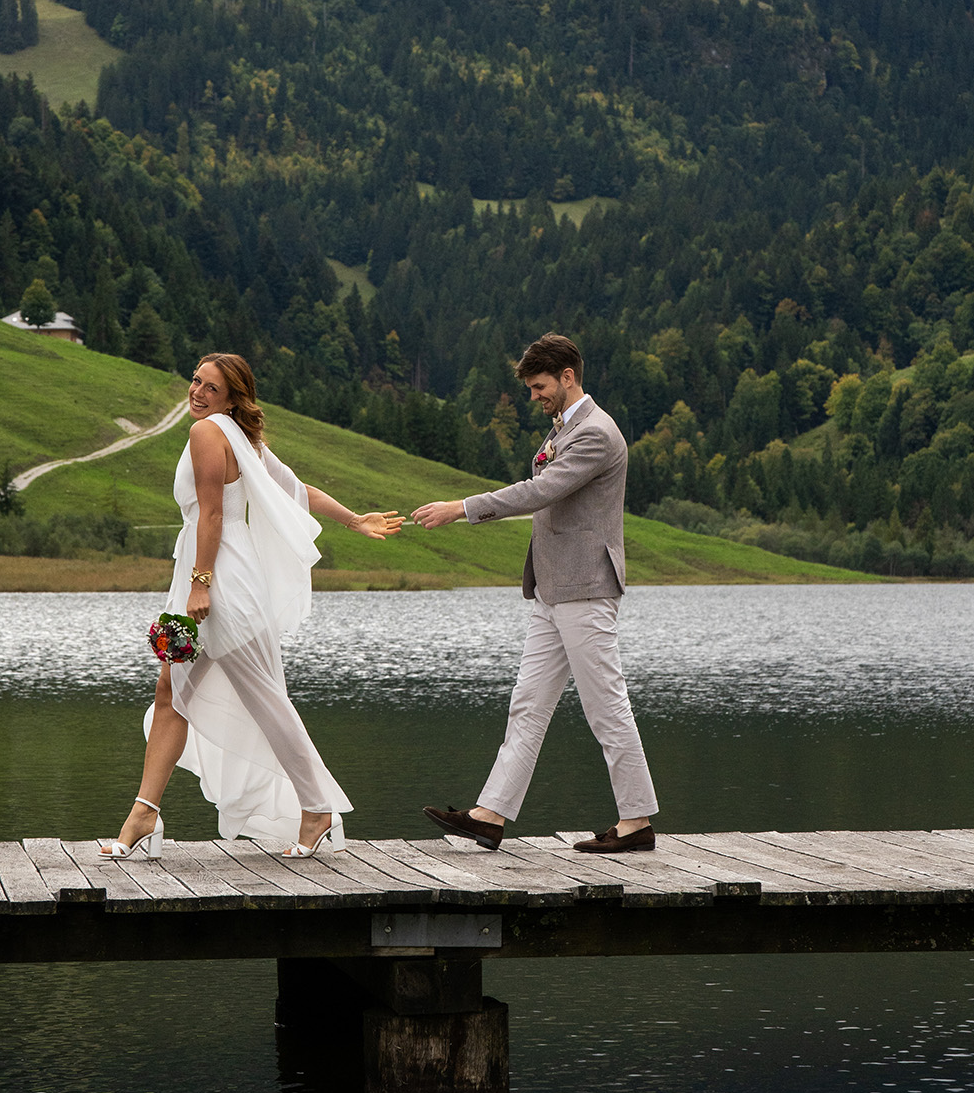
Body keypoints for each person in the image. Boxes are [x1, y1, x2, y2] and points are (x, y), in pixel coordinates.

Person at [102, 353, 401, 860]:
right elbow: (298, 490)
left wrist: (201, 585)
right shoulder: (241, 438)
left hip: (220, 582)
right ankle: (144, 813)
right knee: (171, 692)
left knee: (264, 698)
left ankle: (317, 808)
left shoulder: (208, 433)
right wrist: (353, 519)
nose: (197, 392)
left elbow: (213, 514)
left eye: (211, 388)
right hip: (211, 573)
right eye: (196, 380)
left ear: (231, 399)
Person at [412, 332, 658, 854]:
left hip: (585, 588)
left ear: (568, 377)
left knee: (606, 708)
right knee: (527, 705)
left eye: (540, 386)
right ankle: (490, 815)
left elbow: (542, 491)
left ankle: (636, 823)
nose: (534, 396)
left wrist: (461, 508)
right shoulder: (564, 428)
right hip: (552, 590)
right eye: (530, 388)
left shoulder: (596, 434)